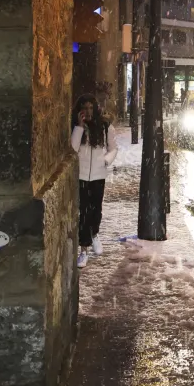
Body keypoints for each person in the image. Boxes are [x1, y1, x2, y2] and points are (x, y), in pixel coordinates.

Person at [71, 95, 117, 269]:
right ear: (80, 110)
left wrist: (106, 160)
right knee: (84, 212)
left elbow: (113, 148)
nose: (88, 112)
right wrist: (79, 127)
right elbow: (73, 148)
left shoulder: (105, 126)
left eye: (91, 108)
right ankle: (84, 250)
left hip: (98, 175)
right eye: (85, 108)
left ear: (95, 109)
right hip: (82, 176)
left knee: (96, 210)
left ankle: (95, 234)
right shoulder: (75, 127)